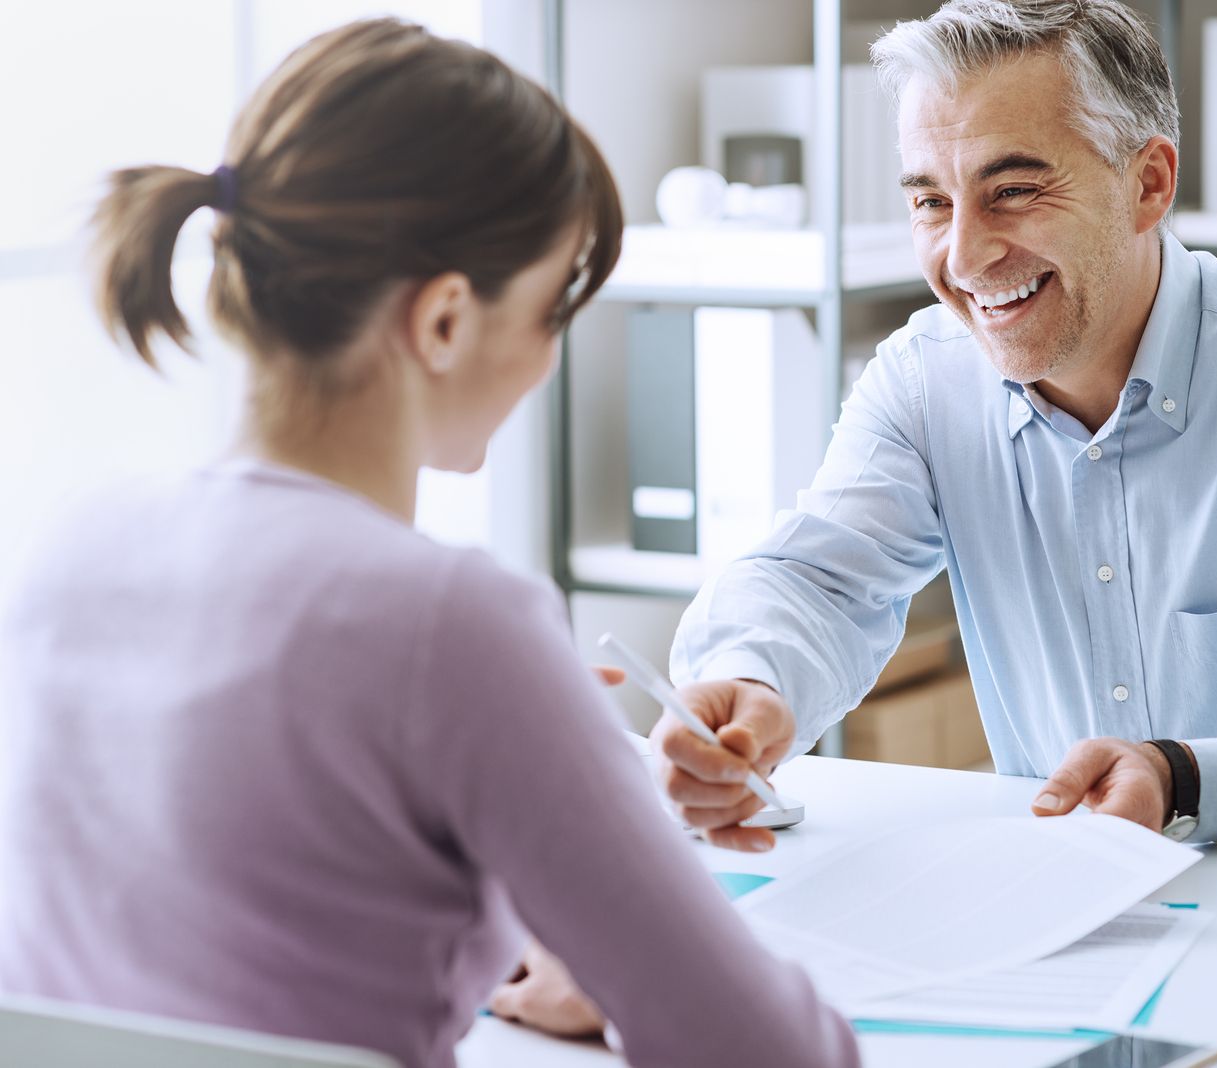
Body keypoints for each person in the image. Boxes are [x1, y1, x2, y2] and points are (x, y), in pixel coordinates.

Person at [0, 20, 858, 1068]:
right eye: (551, 310)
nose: (548, 359)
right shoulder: (453, 625)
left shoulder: (68, 548)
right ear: (445, 321)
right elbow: (771, 1054)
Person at [655, 0, 1217, 853]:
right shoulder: (925, 378)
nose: (961, 257)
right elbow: (818, 581)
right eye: (930, 202)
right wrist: (750, 678)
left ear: (1148, 185)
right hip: (1065, 906)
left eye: (1014, 192)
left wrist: (1186, 778)